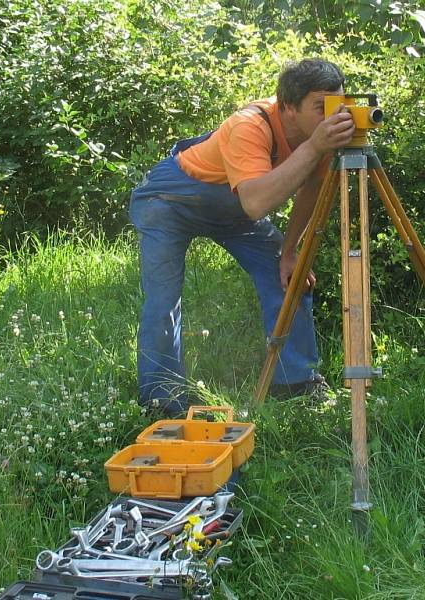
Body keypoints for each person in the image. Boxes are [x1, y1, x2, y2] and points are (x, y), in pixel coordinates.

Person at [129, 58, 355, 416]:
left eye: (339, 104)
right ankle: (162, 401)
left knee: (290, 278)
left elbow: (312, 185)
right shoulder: (250, 124)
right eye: (322, 106)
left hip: (232, 210)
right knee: (163, 299)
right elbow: (255, 204)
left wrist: (289, 250)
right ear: (288, 108)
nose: (333, 115)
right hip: (169, 200)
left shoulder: (317, 136)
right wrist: (315, 148)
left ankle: (295, 384)